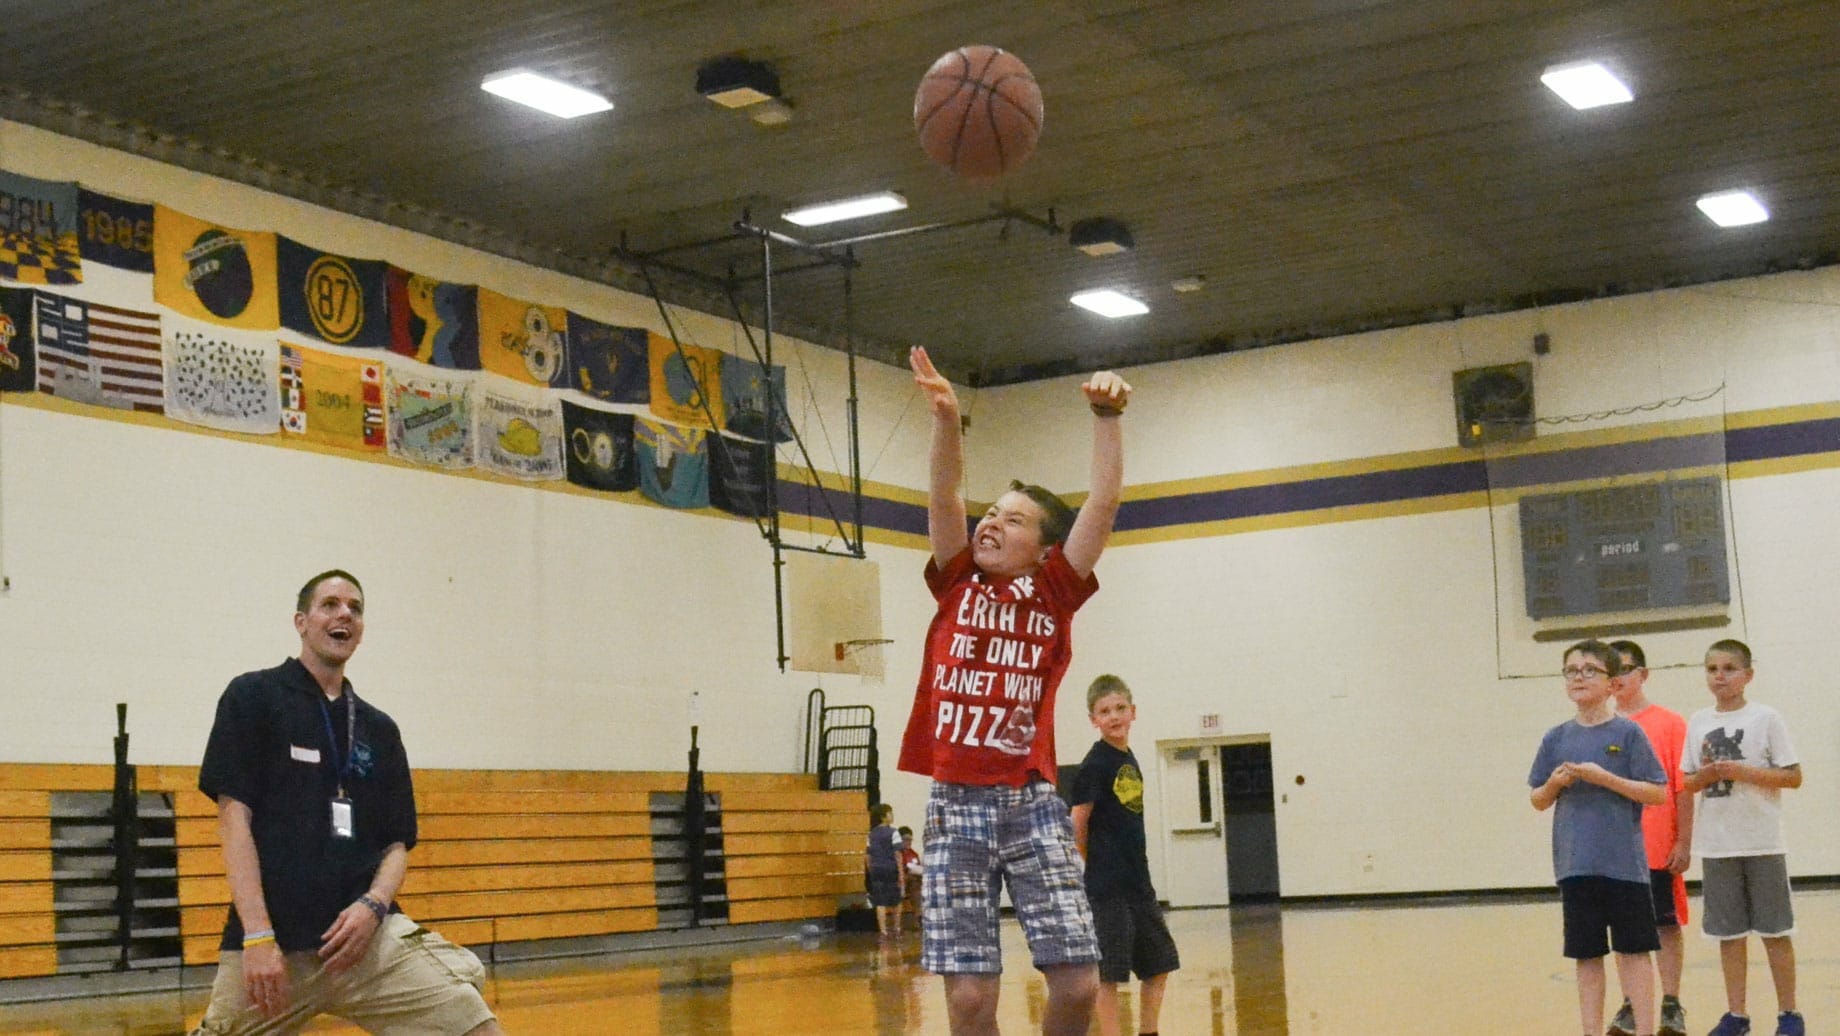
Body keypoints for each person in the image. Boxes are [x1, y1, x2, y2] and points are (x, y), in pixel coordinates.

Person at [898, 346, 1130, 1036]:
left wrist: (1105, 418)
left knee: (1080, 984)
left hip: (1030, 803)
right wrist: (947, 421)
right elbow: (944, 496)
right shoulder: (958, 575)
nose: (992, 523)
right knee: (969, 1001)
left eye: (1015, 520)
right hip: (955, 807)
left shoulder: (1054, 592)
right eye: (991, 514)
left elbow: (1106, 501)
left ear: (1044, 548)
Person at [191, 570, 503, 1036]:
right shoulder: (253, 697)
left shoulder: (379, 729)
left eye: (355, 608)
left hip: (368, 944)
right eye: (330, 604)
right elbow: (233, 819)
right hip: (275, 950)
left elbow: (397, 843)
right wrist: (257, 936)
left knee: (472, 1018)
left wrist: (374, 906)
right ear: (301, 621)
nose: (344, 615)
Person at [1529, 639, 1667, 1036]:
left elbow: (1657, 791)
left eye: (1590, 670)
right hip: (1575, 865)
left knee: (1634, 952)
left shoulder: (1629, 734)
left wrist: (1605, 778)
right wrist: (1555, 783)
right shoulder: (1555, 738)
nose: (1579, 677)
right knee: (1587, 955)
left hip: (1624, 866)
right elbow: (1538, 799)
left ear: (1612, 683)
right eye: (1571, 671)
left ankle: (1644, 1029)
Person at [1682, 640, 1805, 1036]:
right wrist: (1708, 775)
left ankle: (1789, 1014)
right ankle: (1736, 1015)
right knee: (1728, 935)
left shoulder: (1765, 718)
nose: (1719, 676)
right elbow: (1687, 782)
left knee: (1774, 932)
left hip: (1762, 843)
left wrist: (1741, 771)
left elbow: (1793, 776)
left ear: (1748, 675)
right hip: (1718, 846)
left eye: (1729, 668)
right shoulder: (1697, 721)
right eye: (1712, 668)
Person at [1070, 675, 1180, 1036]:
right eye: (1105, 711)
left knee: (1159, 963)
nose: (1114, 716)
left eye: (1120, 709)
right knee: (1109, 972)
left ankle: (1149, 1031)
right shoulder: (1095, 764)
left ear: (1134, 712)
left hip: (1138, 882)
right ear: (1093, 720)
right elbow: (1078, 823)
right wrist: (1093, 865)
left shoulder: (1128, 756)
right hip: (1107, 886)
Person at [1604, 639, 1694, 1036]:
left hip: (1658, 847)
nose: (1617, 678)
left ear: (1642, 674)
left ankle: (1671, 1004)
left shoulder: (1670, 723)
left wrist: (1684, 841)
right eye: (1610, 671)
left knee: (1665, 925)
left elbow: (1683, 787)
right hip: (1614, 852)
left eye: (1624, 669)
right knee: (1624, 932)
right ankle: (1630, 1004)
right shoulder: (1599, 725)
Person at [865, 804, 905, 936]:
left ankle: (883, 930)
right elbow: (898, 854)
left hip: (876, 869)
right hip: (891, 868)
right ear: (883, 816)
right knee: (896, 899)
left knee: (880, 901)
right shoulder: (894, 832)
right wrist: (901, 873)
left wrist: (871, 869)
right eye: (890, 813)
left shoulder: (871, 834)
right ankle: (897, 927)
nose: (892, 815)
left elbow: (868, 856)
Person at [898, 825, 923, 931]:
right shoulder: (896, 853)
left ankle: (919, 916)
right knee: (914, 881)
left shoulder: (914, 854)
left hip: (912, 882)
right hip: (899, 881)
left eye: (910, 840)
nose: (908, 842)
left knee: (917, 885)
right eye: (905, 840)